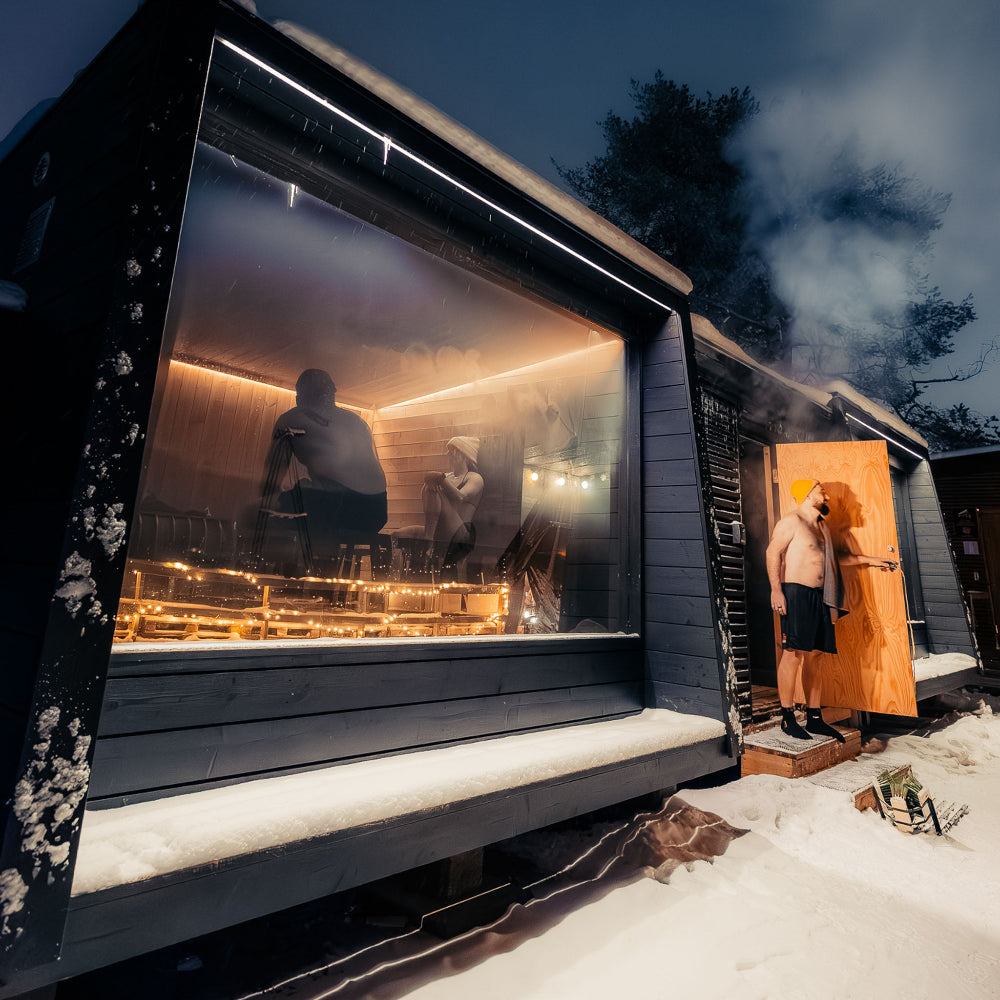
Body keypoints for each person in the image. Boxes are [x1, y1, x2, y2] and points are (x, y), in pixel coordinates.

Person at [765, 478, 898, 741]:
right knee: (793, 654)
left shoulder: (822, 527)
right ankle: (788, 717)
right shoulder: (791, 522)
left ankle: (815, 718)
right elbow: (772, 553)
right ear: (806, 494)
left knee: (816, 656)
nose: (825, 496)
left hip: (821, 596)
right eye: (820, 491)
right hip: (796, 592)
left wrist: (872, 561)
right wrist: (776, 590)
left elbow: (836, 559)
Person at [261, 369, 388, 542]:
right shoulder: (358, 422)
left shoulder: (291, 420)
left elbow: (271, 477)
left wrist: (268, 504)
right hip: (375, 514)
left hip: (337, 511)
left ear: (299, 396)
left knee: (268, 510)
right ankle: (324, 560)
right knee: (304, 493)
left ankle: (297, 564)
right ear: (332, 395)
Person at [395, 436, 484, 573]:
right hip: (439, 531)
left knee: (433, 484)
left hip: (460, 534)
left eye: (453, 451)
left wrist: (441, 479)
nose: (448, 454)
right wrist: (438, 479)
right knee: (399, 535)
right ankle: (396, 578)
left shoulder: (474, 478)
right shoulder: (446, 476)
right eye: (448, 451)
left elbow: (460, 497)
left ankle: (428, 541)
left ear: (464, 454)